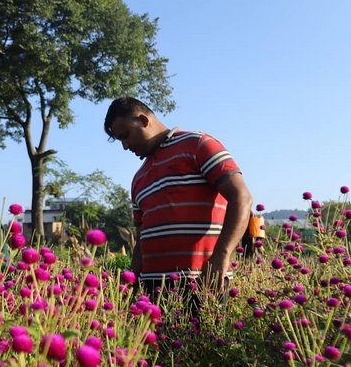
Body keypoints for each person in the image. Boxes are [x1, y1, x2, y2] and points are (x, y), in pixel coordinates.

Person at [103, 97, 253, 312]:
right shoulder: (139, 178)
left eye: (125, 136)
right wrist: (130, 287)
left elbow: (241, 197)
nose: (125, 146)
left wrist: (222, 255)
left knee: (204, 345)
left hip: (201, 280)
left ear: (144, 120)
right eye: (120, 141)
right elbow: (142, 240)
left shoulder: (198, 144)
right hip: (152, 289)